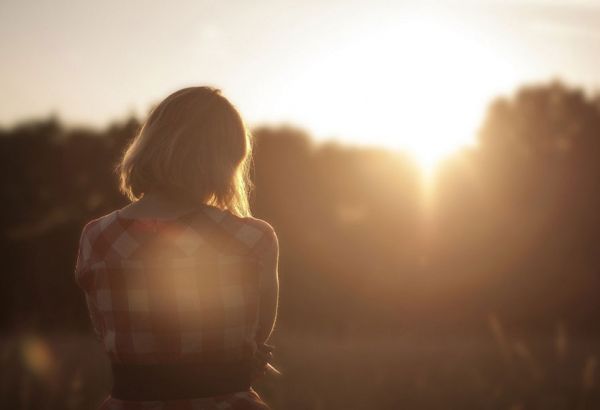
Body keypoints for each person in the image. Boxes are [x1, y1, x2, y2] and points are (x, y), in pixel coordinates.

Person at [74, 86, 280, 410]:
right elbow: (256, 336)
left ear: (151, 143)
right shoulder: (253, 238)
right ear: (226, 159)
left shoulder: (97, 237)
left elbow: (109, 335)